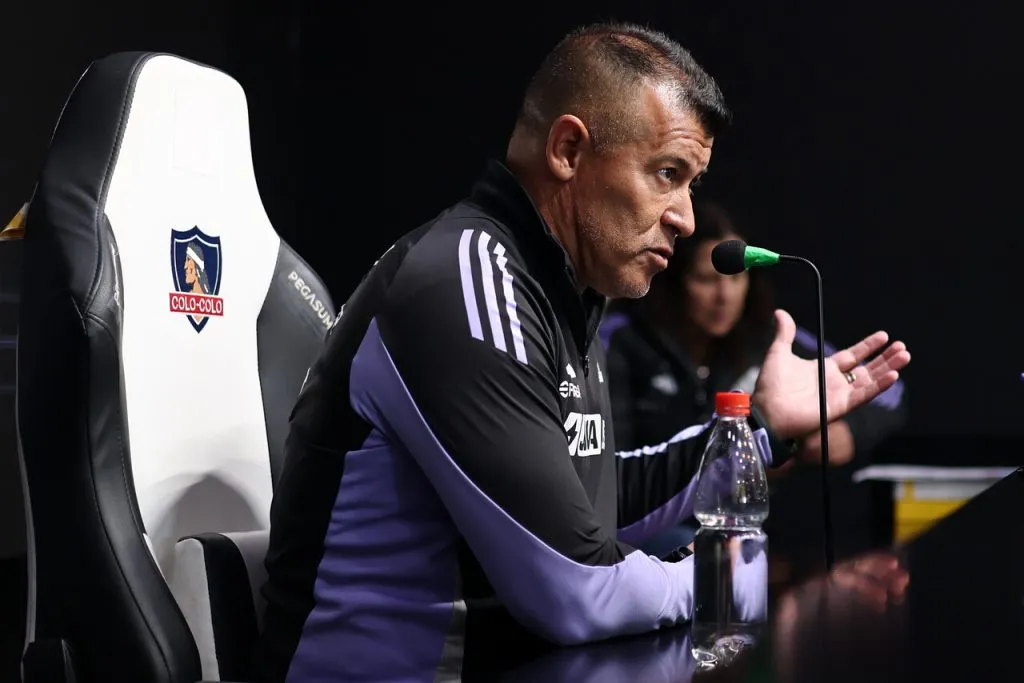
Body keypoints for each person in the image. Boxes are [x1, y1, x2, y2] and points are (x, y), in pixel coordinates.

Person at [254, 22, 911, 682]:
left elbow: (585, 497)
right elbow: (574, 589)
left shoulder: (562, 292)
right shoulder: (466, 282)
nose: (685, 216)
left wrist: (761, 429)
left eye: (691, 183)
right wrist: (720, 580)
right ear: (568, 149)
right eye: (666, 173)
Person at [601, 200, 907, 563]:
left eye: (736, 278)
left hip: (761, 527)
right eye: (706, 279)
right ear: (674, 281)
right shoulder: (619, 340)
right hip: (656, 529)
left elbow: (887, 391)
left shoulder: (771, 339)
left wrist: (851, 430)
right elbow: (610, 473)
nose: (724, 296)